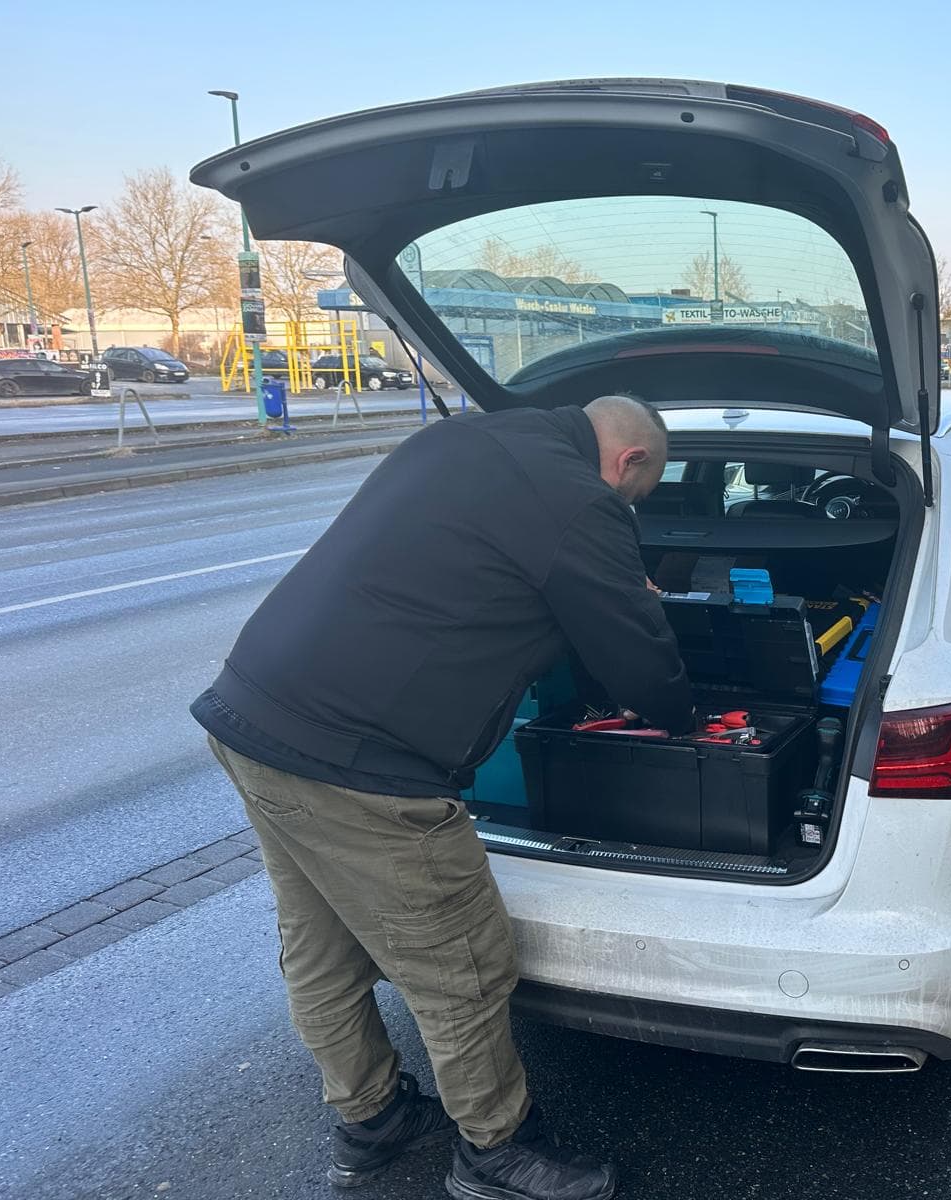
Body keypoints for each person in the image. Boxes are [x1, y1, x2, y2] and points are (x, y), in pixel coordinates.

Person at [192, 393, 693, 1200]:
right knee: (462, 965)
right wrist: (682, 715)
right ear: (629, 462)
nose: (624, 508)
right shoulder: (579, 501)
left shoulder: (462, 439)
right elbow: (637, 659)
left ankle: (373, 1118)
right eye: (635, 498)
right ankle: (497, 1150)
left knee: (323, 948)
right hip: (361, 765)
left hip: (249, 715)